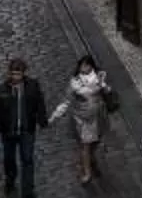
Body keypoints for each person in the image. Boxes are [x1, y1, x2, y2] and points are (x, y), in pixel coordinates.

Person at [0, 57, 49, 198]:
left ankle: (28, 192)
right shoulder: (1, 90)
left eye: (18, 74)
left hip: (26, 130)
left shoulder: (32, 86)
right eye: (13, 74)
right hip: (8, 131)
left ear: (23, 74)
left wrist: (42, 120)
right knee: (9, 159)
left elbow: (39, 103)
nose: (15, 77)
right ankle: (10, 178)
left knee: (27, 160)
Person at [50, 55, 116, 185]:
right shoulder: (75, 82)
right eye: (82, 65)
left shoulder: (99, 77)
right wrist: (54, 116)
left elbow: (108, 91)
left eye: (87, 65)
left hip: (98, 116)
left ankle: (91, 158)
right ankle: (87, 172)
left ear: (92, 66)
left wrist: (104, 86)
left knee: (96, 141)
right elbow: (66, 101)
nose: (84, 68)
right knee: (85, 144)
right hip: (83, 118)